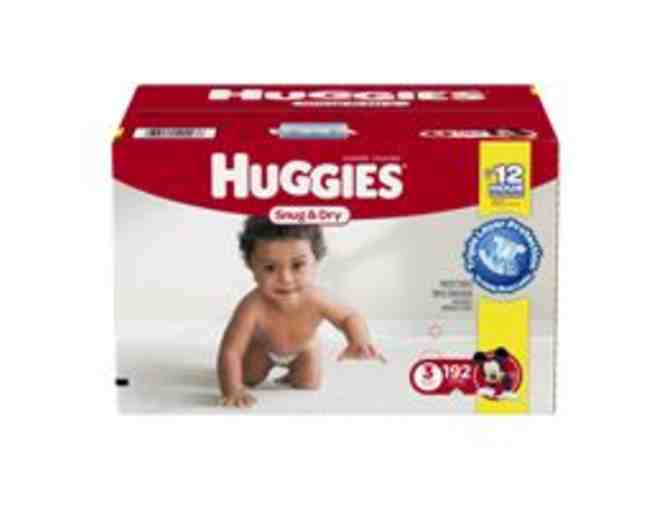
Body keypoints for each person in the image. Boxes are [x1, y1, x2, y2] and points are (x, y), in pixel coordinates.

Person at [217, 216, 386, 408]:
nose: (286, 278)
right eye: (270, 268)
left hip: (304, 349)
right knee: (248, 378)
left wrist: (359, 340)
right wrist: (232, 389)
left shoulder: (317, 298)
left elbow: (349, 316)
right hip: (263, 350)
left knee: (309, 384)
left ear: (316, 260)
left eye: (297, 265)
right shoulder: (252, 306)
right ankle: (256, 373)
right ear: (251, 266)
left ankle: (293, 374)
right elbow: (231, 350)